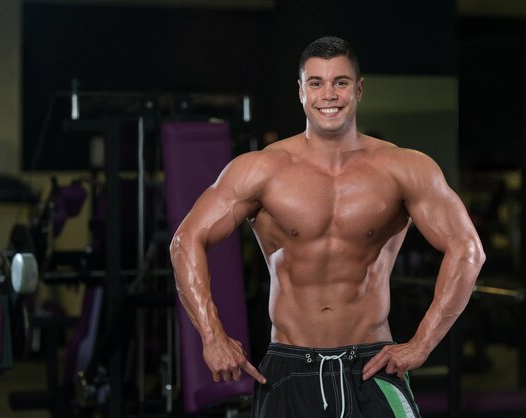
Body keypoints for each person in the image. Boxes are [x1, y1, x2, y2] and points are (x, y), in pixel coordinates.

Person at [170, 36, 485, 418]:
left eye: (341, 82)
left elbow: (468, 249)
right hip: (289, 369)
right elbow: (187, 240)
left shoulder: (404, 168)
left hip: (373, 367)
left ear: (360, 88)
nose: (328, 94)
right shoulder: (261, 170)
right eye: (316, 83)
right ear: (300, 91)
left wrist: (422, 343)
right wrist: (211, 335)